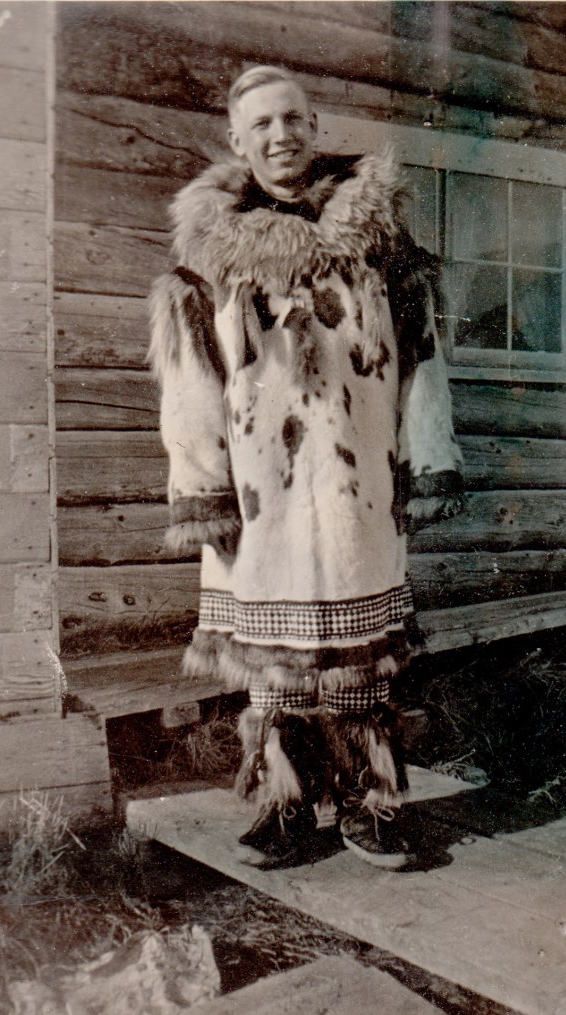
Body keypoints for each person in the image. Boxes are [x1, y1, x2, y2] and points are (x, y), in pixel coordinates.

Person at [149, 65, 465, 871]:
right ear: (237, 139)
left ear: (316, 125)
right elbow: (192, 383)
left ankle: (372, 803)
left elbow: (423, 362)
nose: (280, 136)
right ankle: (288, 806)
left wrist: (428, 463)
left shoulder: (378, 237)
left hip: (360, 479)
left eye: (293, 119)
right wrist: (204, 491)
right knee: (275, 663)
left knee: (361, 657)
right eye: (261, 125)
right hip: (264, 489)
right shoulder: (209, 254)